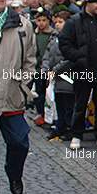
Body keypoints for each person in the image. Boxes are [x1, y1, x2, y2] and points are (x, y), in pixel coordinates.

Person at [0, 0, 36, 194]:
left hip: (12, 94)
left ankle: (14, 174)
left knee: (20, 142)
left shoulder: (23, 25)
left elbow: (30, 59)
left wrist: (24, 86)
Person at [59, 0, 97, 150]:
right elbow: (64, 44)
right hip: (82, 70)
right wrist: (78, 57)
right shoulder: (74, 21)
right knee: (80, 104)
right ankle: (76, 135)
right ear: (87, 2)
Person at [41, 10, 74, 141]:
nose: (58, 25)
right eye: (56, 22)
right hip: (54, 79)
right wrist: (45, 69)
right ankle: (59, 127)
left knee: (68, 105)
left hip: (67, 77)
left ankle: (69, 129)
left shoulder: (72, 38)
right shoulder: (54, 38)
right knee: (57, 104)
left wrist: (55, 70)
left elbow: (69, 58)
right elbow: (47, 55)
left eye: (61, 22)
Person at [32, 8, 55, 126]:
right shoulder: (34, 34)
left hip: (49, 68)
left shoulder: (52, 34)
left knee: (49, 93)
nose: (41, 23)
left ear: (49, 21)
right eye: (39, 20)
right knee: (39, 92)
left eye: (44, 20)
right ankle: (40, 113)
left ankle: (49, 115)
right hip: (37, 68)